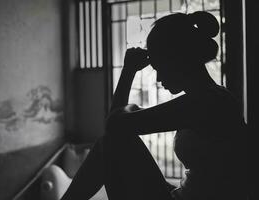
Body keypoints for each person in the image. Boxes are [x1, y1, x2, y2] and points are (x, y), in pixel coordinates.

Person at [60, 11, 247, 200]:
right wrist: (128, 77)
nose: (158, 79)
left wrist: (128, 72)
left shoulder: (206, 103)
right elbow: (116, 125)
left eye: (160, 68)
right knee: (110, 142)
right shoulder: (211, 96)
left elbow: (115, 124)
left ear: (177, 60)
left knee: (110, 143)